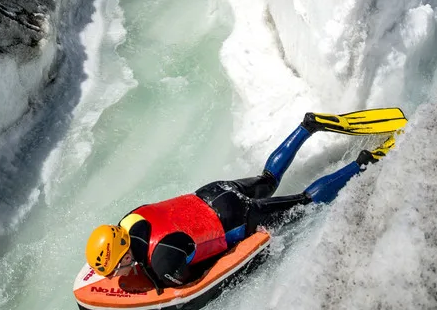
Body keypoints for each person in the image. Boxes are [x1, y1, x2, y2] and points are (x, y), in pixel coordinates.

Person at [85, 110, 402, 290]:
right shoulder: (128, 220)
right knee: (268, 179)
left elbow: (192, 280)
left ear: (125, 256)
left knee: (306, 202)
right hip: (213, 192)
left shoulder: (161, 261)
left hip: (235, 218)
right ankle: (307, 126)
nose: (113, 277)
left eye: (114, 269)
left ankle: (364, 162)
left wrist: (158, 278)